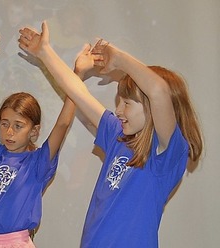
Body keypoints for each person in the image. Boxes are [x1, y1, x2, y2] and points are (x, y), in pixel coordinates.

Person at [18, 22, 203, 247]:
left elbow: (159, 91)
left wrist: (120, 59)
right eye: (119, 102)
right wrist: (45, 53)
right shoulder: (118, 136)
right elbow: (77, 91)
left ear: (154, 108)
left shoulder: (165, 154)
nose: (118, 110)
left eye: (127, 103)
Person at [0, 32, 76, 247]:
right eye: (5, 124)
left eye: (18, 126)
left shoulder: (36, 162)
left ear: (34, 131)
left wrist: (76, 78)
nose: (9, 132)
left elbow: (62, 125)